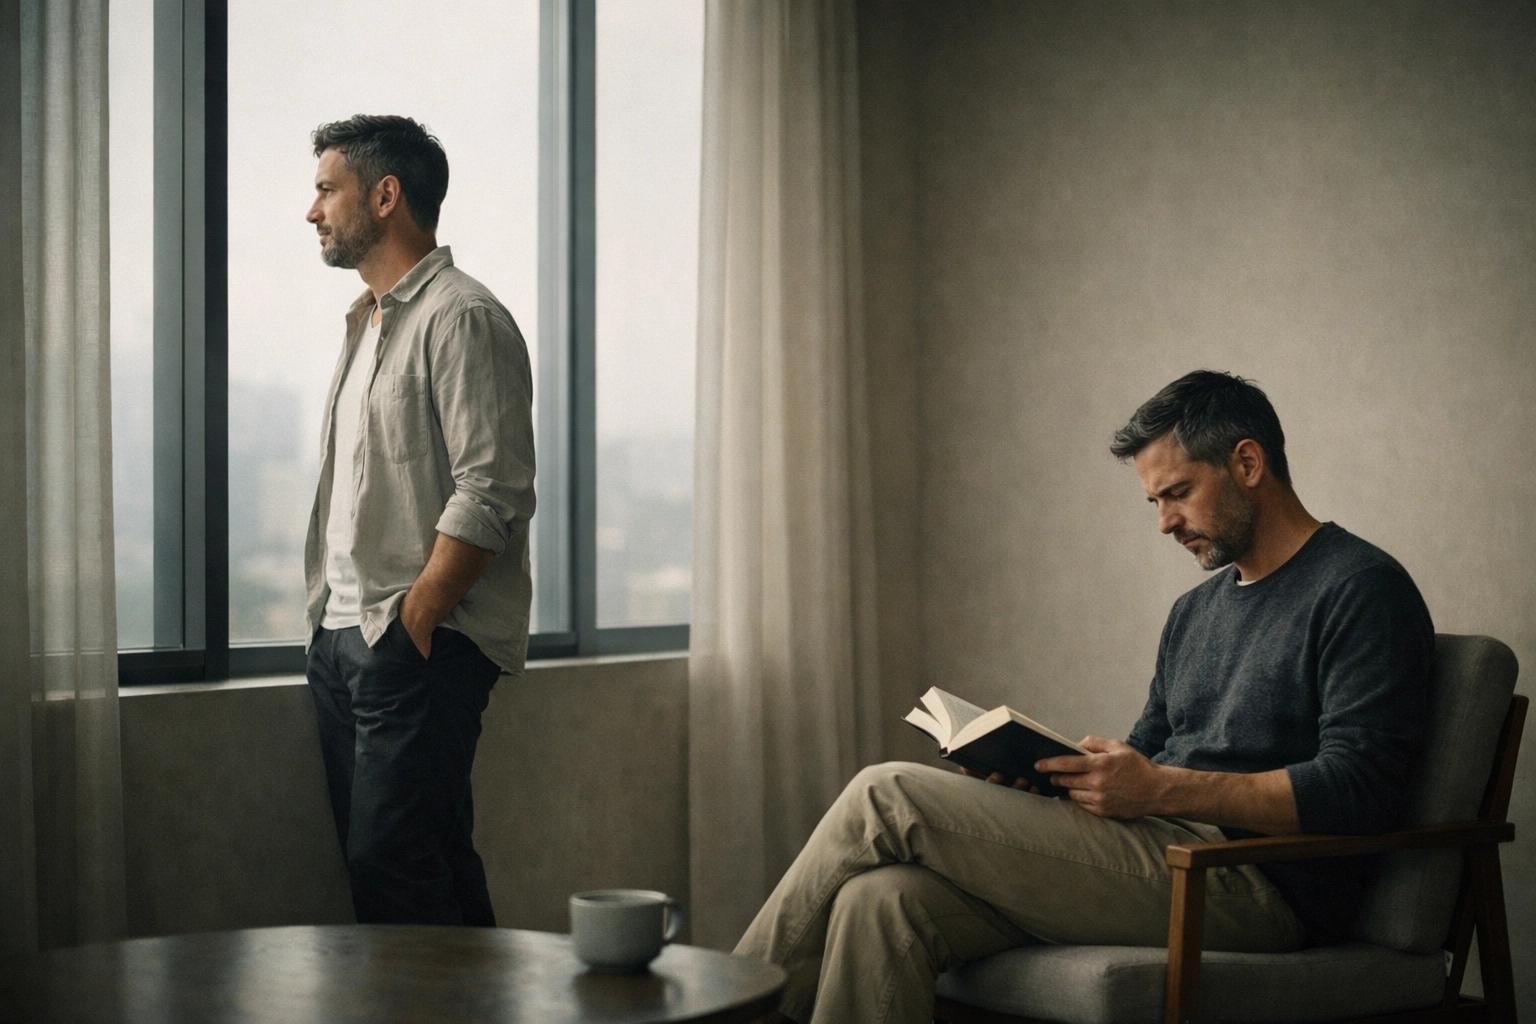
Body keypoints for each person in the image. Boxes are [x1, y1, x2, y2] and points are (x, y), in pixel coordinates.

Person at [735, 370, 1433, 1024]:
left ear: (1247, 465)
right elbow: (1150, 757)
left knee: (884, 792)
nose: (1164, 522)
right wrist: (1058, 781)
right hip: (1163, 855)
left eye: (1178, 493)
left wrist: (1160, 791)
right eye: (1154, 502)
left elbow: (1359, 788)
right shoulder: (1195, 612)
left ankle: (727, 1008)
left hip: (1254, 885)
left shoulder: (1359, 588)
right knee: (880, 900)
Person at [300, 115, 535, 926]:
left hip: (414, 640)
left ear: (386, 195)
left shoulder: (461, 316)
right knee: (421, 856)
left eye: (327, 188)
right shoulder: (366, 324)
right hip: (344, 638)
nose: (313, 210)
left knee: (392, 862)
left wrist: (418, 618)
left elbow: (492, 488)